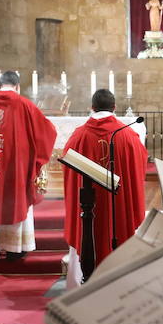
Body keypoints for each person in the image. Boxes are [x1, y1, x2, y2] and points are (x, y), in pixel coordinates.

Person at [0, 70, 56, 261]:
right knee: (16, 200)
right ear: (17, 86)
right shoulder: (25, 105)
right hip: (17, 170)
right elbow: (46, 132)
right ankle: (16, 249)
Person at [63, 89, 147, 272]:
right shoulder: (128, 136)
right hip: (118, 204)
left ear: (92, 108)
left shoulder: (79, 136)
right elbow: (140, 165)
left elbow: (67, 166)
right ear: (114, 107)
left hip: (88, 205)